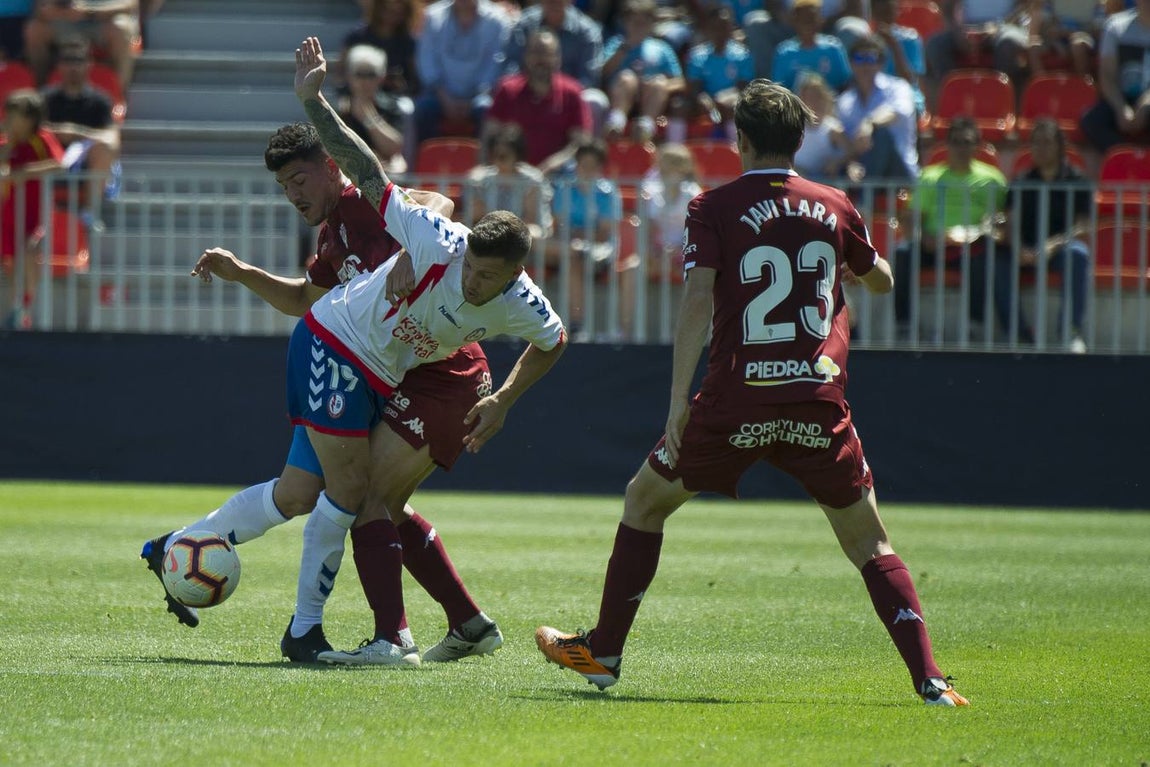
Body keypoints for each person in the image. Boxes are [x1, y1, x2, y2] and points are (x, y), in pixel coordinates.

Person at [534, 78, 969, 707]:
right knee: (870, 541)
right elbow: (881, 280)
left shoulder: (713, 207)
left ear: (740, 140)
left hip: (736, 399)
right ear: (800, 140)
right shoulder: (834, 204)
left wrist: (679, 398)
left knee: (643, 501)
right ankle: (929, 680)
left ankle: (602, 653)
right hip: (816, 399)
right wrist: (862, 266)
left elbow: (694, 301)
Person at [139, 122, 509, 665]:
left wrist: (415, 243)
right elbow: (304, 298)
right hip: (377, 367)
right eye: (284, 186)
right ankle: (176, 546)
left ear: (332, 168)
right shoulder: (332, 234)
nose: (293, 195)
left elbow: (437, 200)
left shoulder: (368, 203)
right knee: (298, 494)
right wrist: (242, 272)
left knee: (364, 498)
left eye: (300, 179)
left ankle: (366, 635)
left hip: (438, 372)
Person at [290, 35, 567, 665]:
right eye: (471, 269)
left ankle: (393, 640)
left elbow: (554, 343)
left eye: (487, 282)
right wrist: (315, 103)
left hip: (450, 383)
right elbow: (367, 170)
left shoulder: (521, 299)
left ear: (513, 278)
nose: (474, 284)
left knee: (367, 501)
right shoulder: (438, 237)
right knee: (387, 503)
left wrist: (504, 400)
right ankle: (469, 624)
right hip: (414, 375)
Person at [894, 117, 1021, 341]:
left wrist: (985, 232)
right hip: (933, 245)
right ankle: (904, 325)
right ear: (947, 144)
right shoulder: (929, 176)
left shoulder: (994, 180)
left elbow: (1003, 221)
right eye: (956, 142)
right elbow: (913, 218)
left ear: (976, 145)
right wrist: (924, 238)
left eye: (967, 142)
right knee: (903, 253)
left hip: (972, 246)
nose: (961, 147)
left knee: (984, 259)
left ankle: (975, 325)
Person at [1007, 118, 1091, 353]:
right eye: (1036, 143)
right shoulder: (1022, 180)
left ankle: (1070, 332)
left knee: (1078, 253)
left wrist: (1052, 245)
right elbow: (1011, 222)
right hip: (1025, 250)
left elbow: (1083, 226)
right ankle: (1017, 332)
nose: (1040, 149)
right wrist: (1018, 247)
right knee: (993, 259)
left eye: (1047, 143)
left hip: (1059, 249)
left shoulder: (1077, 179)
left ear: (1059, 146)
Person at [485, 29, 592, 175]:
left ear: (558, 58)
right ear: (526, 56)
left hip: (556, 176)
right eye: (536, 52)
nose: (541, 59)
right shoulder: (507, 90)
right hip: (512, 175)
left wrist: (551, 165)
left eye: (546, 53)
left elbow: (579, 143)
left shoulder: (571, 92)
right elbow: (490, 136)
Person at [40, 36, 120, 226]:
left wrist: (76, 133)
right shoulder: (44, 98)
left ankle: (90, 214)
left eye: (79, 60)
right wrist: (57, 132)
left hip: (85, 164)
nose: (73, 67)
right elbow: (31, 131)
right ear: (59, 66)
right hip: (49, 159)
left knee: (105, 149)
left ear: (89, 64)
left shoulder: (100, 101)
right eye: (68, 61)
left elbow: (112, 139)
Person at [1, 88, 63, 330]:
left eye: (13, 116)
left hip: (36, 212)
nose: (8, 120)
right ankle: (18, 307)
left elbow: (59, 164)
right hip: (9, 213)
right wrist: (9, 144)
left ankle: (28, 303)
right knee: (11, 261)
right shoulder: (7, 142)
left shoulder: (42, 139)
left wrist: (26, 172)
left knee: (30, 249)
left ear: (29, 118)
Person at [547, 138, 621, 337]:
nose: (586, 170)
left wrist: (577, 234)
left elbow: (603, 234)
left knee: (573, 257)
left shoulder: (609, 193)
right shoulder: (564, 189)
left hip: (600, 251)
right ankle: (575, 326)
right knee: (572, 256)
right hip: (569, 247)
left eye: (592, 165)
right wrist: (579, 235)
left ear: (600, 167)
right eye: (583, 164)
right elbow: (559, 226)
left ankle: (577, 324)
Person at [412, 0, 511, 144]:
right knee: (424, 109)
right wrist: (444, 97)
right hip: (439, 94)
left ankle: (484, 164)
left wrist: (474, 97)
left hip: (480, 96)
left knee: (487, 110)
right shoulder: (432, 16)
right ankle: (424, 164)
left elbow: (496, 64)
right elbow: (427, 62)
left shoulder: (497, 20)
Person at [501, 0, 608, 129]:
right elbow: (511, 70)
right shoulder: (523, 25)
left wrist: (558, 92)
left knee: (595, 100)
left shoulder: (587, 31)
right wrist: (535, 91)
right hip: (527, 92)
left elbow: (588, 78)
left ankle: (587, 149)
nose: (554, 2)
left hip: (569, 98)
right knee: (499, 95)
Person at [836, 35, 919, 182]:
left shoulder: (898, 87)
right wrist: (851, 163)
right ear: (851, 63)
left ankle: (864, 200)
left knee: (880, 134)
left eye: (871, 58)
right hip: (863, 167)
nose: (865, 65)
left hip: (899, 173)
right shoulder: (845, 101)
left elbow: (896, 112)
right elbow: (848, 142)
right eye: (859, 58)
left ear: (881, 63)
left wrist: (869, 123)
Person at [667, 4, 754, 144]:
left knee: (731, 106)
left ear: (731, 27)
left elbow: (743, 87)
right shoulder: (697, 55)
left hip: (731, 100)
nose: (720, 31)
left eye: (724, 26)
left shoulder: (742, 54)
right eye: (715, 27)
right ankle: (674, 148)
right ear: (708, 29)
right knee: (678, 106)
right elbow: (694, 86)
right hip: (704, 102)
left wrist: (724, 97)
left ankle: (738, 150)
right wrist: (702, 98)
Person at [601, 0, 685, 143]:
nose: (639, 27)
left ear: (651, 24)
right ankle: (616, 124)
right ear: (625, 23)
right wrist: (624, 48)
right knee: (627, 78)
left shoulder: (662, 48)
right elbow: (604, 72)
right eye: (635, 22)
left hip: (651, 100)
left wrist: (658, 84)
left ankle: (645, 128)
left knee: (658, 82)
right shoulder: (616, 44)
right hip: (621, 97)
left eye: (643, 22)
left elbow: (680, 82)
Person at [1079, 0, 1150, 152]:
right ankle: (1122, 156)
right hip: (1119, 96)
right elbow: (1107, 75)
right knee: (1091, 121)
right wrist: (1121, 108)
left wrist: (1145, 104)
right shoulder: (1116, 27)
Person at [23, 0, 139, 87]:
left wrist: (88, 13)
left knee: (121, 30)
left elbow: (129, 5)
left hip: (103, 20)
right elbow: (42, 7)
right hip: (66, 20)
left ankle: (118, 91)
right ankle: (41, 88)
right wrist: (52, 10)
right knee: (35, 30)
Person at [466, 123, 552, 238]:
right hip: (489, 232)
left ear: (517, 155)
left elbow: (532, 220)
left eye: (504, 155)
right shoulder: (479, 180)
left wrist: (508, 229)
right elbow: (476, 216)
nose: (499, 159)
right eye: (496, 154)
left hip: (521, 232)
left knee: (533, 234)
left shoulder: (532, 181)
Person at [337, 43, 410, 174]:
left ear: (381, 77)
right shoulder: (338, 107)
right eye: (359, 74)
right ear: (349, 76)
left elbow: (394, 148)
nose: (364, 81)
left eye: (371, 75)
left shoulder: (390, 106)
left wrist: (368, 119)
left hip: (386, 177)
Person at [341, 0, 422, 97]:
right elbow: (342, 72)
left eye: (398, 12)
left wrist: (400, 84)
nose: (391, 16)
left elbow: (414, 78)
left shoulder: (408, 41)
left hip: (396, 98)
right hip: (357, 95)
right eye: (387, 10)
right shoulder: (357, 37)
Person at [771, 0, 853, 93]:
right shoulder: (784, 52)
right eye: (803, 19)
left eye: (812, 18)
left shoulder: (833, 49)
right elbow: (779, 89)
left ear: (821, 20)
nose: (807, 24)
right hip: (796, 105)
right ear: (794, 21)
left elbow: (846, 84)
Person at [793, 72, 849, 181]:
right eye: (809, 97)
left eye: (818, 96)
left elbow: (851, 153)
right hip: (797, 182)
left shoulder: (833, 128)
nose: (814, 102)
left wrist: (836, 163)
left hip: (824, 183)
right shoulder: (793, 126)